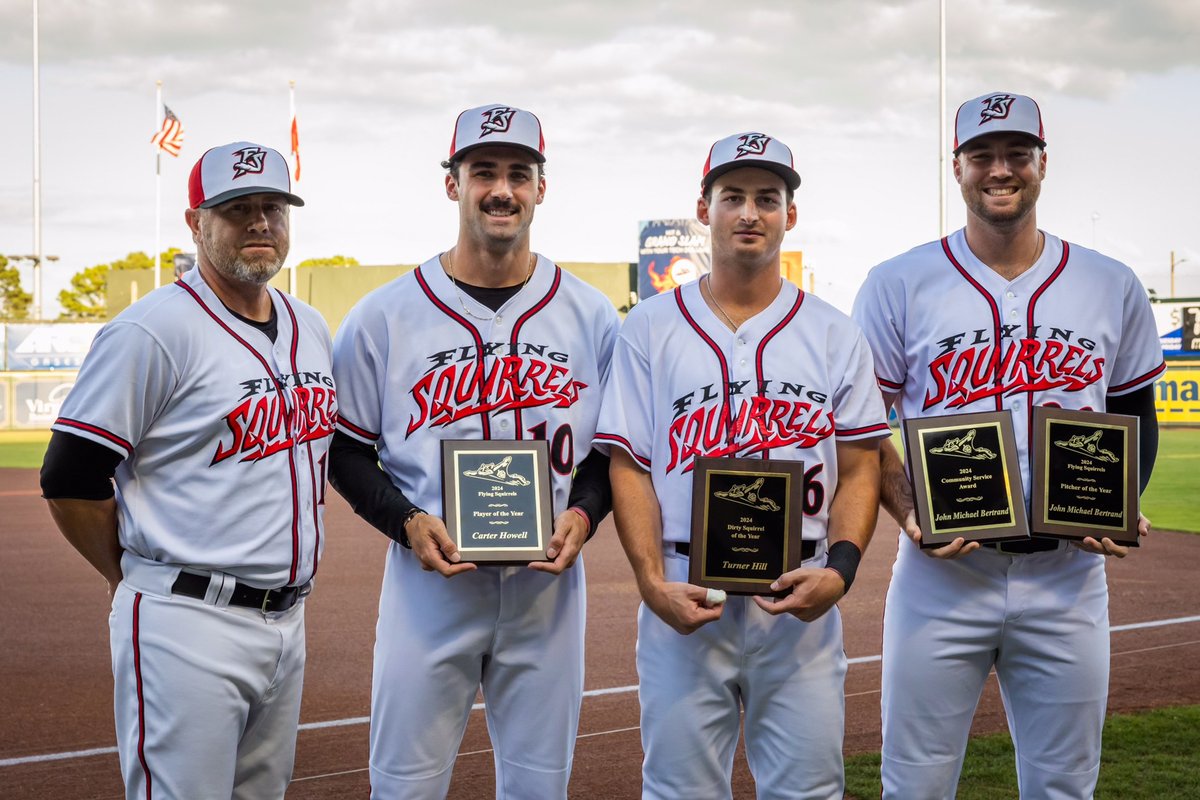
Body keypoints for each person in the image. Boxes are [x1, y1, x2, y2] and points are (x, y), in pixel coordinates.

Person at [852, 91, 1164, 799]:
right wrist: (909, 510)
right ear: (956, 167)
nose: (1000, 169)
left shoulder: (1110, 283)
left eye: (1017, 153)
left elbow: (1134, 410)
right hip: (941, 578)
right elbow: (863, 430)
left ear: (1042, 163)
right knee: (914, 785)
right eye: (982, 155)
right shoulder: (897, 282)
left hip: (1068, 576)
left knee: (1064, 786)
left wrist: (1119, 503)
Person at [329, 104, 618, 798]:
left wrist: (583, 515)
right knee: (404, 786)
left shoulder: (591, 316)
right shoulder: (384, 315)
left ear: (541, 187)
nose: (501, 189)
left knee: (539, 787)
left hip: (547, 590)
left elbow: (611, 455)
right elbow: (345, 450)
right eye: (483, 171)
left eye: (519, 173)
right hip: (428, 587)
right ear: (452, 183)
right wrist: (405, 521)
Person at [598, 131, 889, 799]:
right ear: (705, 209)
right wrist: (650, 583)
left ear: (791, 213)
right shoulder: (649, 327)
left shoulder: (833, 332)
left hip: (800, 595)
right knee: (678, 791)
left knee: (810, 790)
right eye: (733, 197)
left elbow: (860, 467)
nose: (750, 213)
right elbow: (629, 465)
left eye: (767, 198)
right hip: (684, 591)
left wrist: (840, 572)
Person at [41, 141, 336, 799]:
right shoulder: (152, 330)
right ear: (196, 223)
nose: (260, 223)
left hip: (288, 619)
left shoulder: (310, 326)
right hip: (185, 620)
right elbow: (70, 477)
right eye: (237, 209)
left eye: (273, 207)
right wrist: (130, 575)